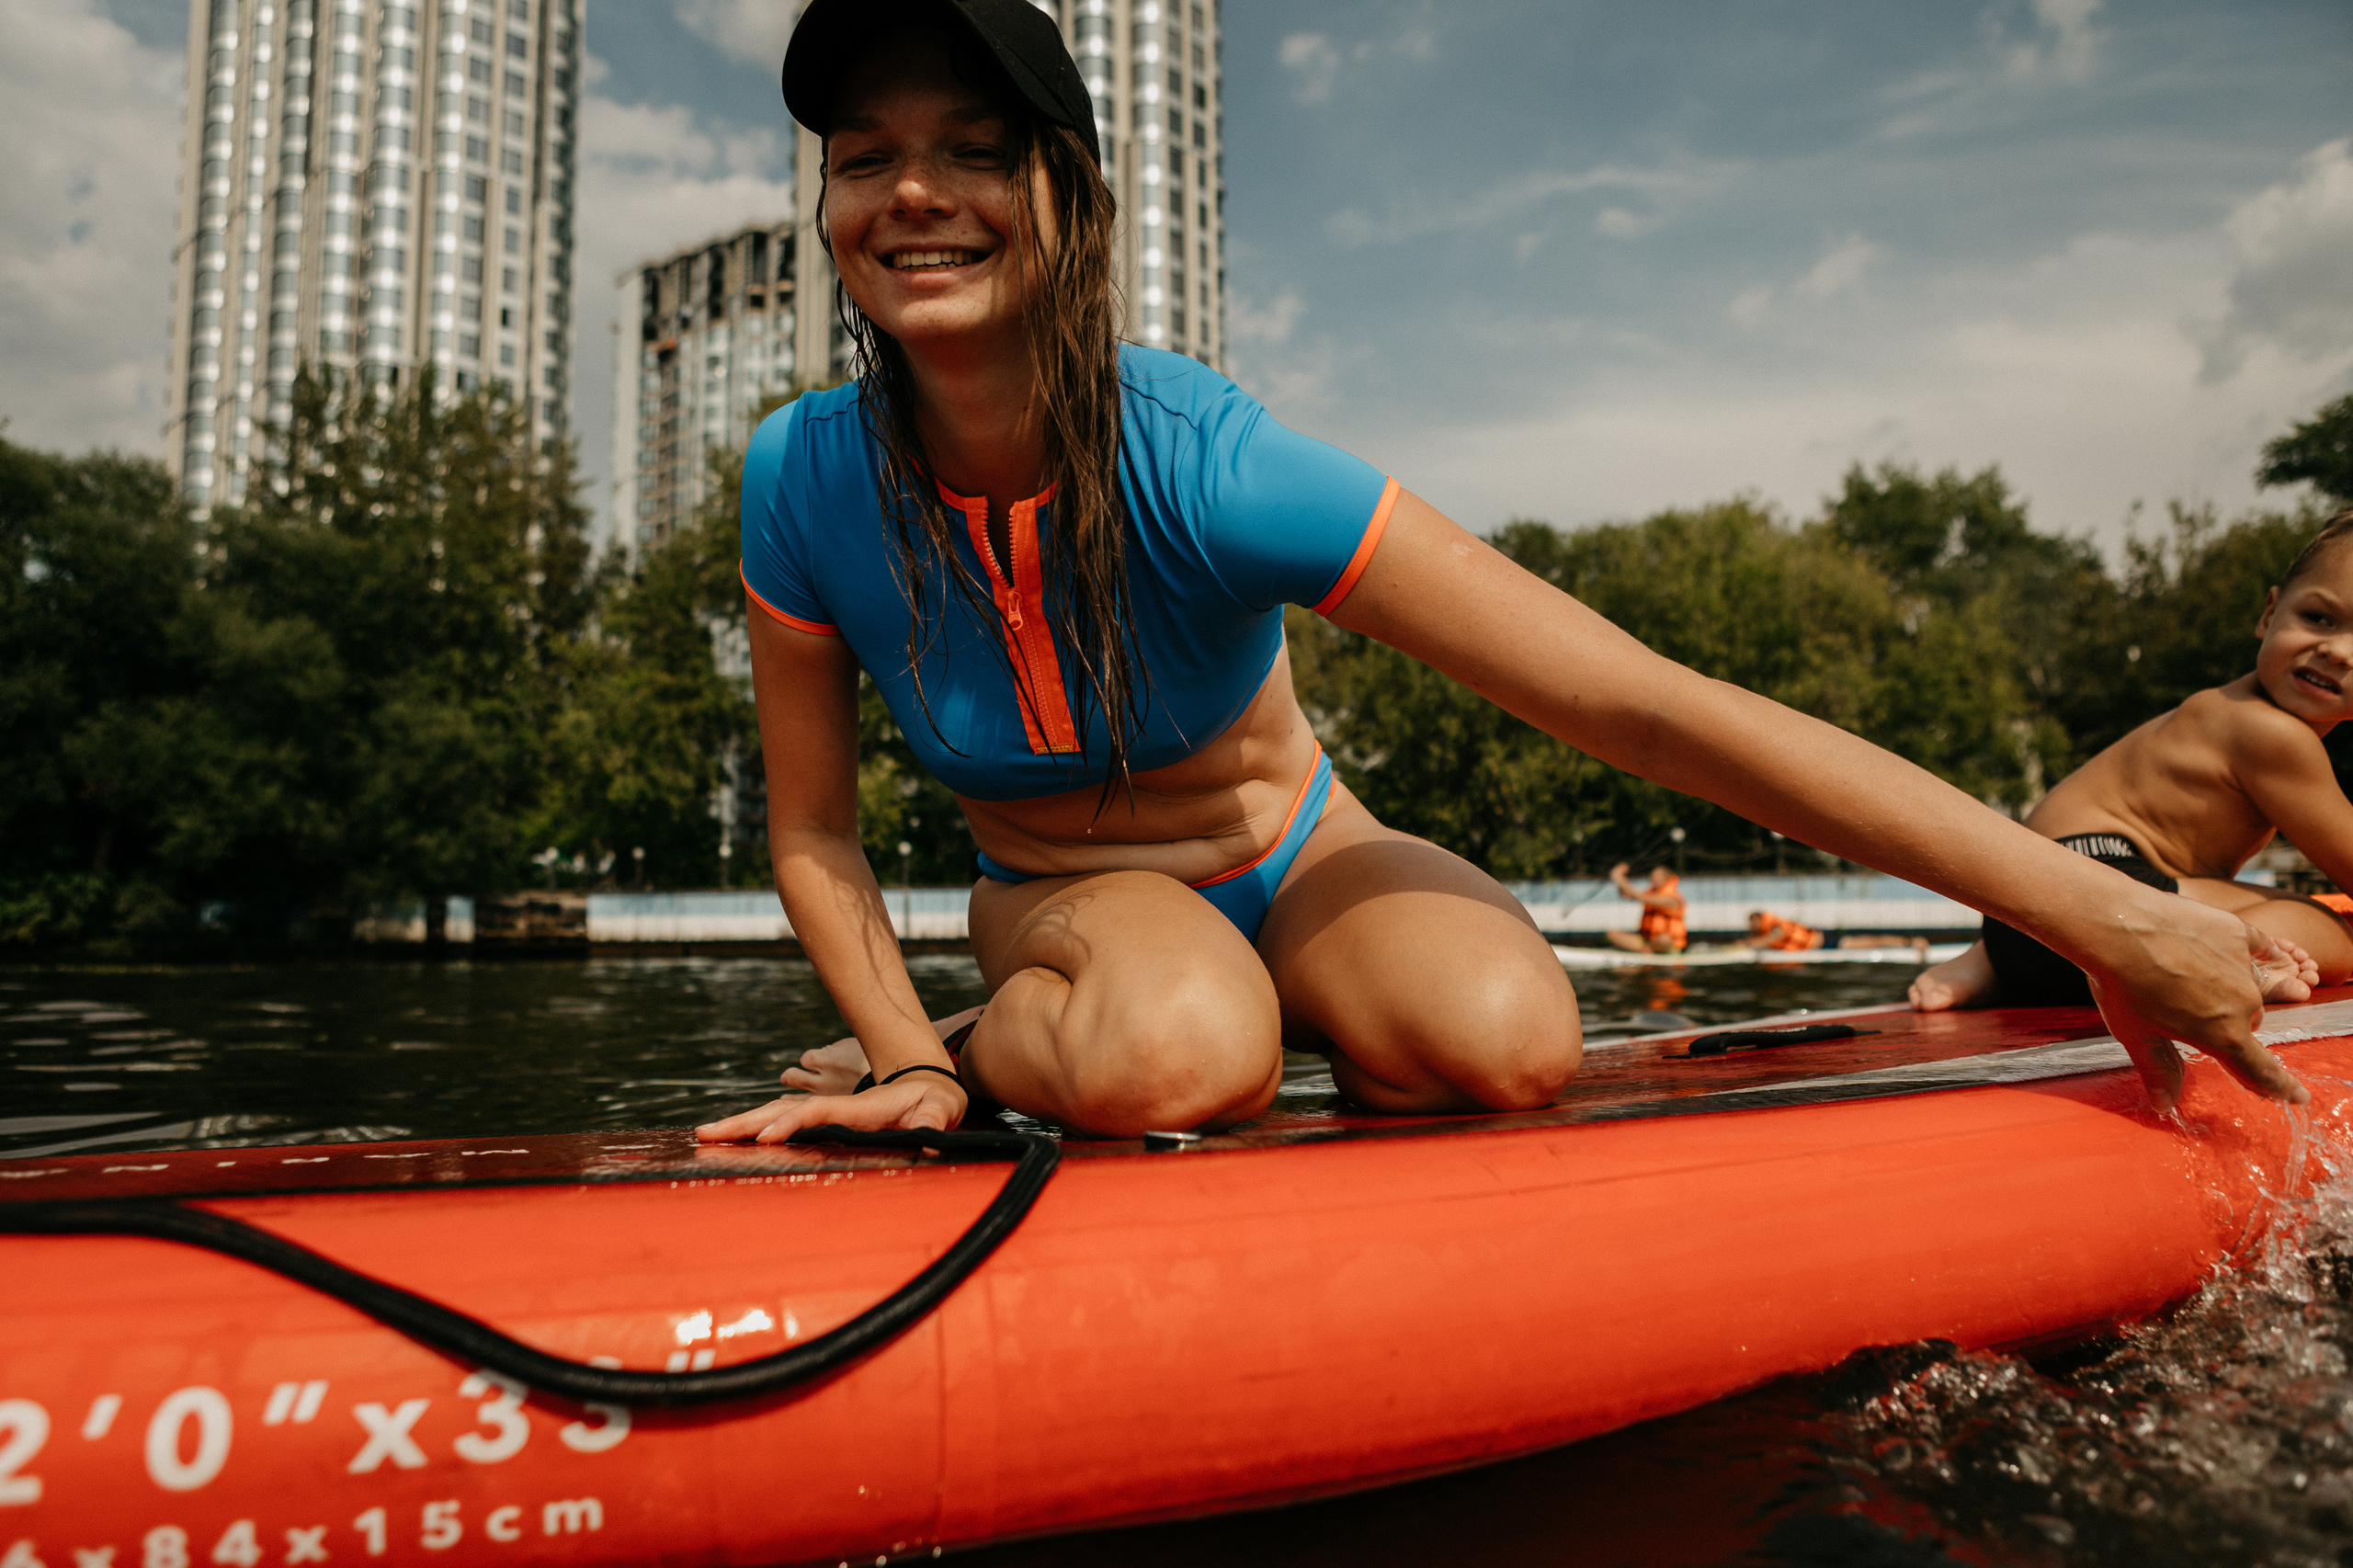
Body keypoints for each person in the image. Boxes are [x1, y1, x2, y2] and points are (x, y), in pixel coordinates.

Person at [696, 0, 2309, 1147]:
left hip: (1301, 860)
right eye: (863, 156)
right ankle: (1028, 1035)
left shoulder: (1206, 458)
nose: (911, 192)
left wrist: (2100, 914)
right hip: (1064, 904)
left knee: (1513, 1043)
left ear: (1072, 198)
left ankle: (1244, 1006)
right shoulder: (802, 479)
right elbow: (815, 829)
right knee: (1177, 1052)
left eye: (973, 149)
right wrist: (909, 1058)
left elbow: (1642, 706)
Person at [1915, 509, 2353, 1013]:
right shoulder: (2267, 732)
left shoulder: (2225, 710)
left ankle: (1990, 963)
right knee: (2332, 932)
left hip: (2024, 916)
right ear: (2269, 613)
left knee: (2274, 909)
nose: (2338, 652)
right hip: (2097, 891)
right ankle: (2236, 964)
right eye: (2319, 618)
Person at [1741, 912, 1927, 955]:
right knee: (1871, 941)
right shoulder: (1771, 928)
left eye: (1753, 924)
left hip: (1827, 942)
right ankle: (1910, 942)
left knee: (1873, 942)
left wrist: (1741, 945)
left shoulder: (1777, 927)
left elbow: (1769, 940)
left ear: (1759, 920)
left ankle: (1911, 942)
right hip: (1824, 943)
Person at [1604, 863, 1687, 953]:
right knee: (1612, 934)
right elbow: (1626, 894)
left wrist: (1619, 878)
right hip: (1647, 940)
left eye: (1657, 876)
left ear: (1667, 878)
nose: (1653, 879)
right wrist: (1620, 878)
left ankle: (1646, 950)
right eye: (1652, 876)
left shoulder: (1672, 899)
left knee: (1664, 939)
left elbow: (1640, 896)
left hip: (1669, 945)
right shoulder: (1651, 893)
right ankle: (1646, 949)